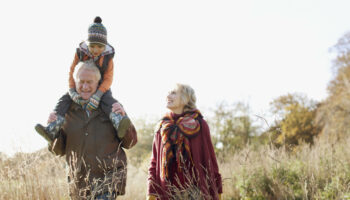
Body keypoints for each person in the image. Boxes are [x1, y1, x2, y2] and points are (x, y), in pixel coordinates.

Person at [48, 61, 137, 199]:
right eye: (81, 82)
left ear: (98, 83)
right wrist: (54, 133)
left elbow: (130, 143)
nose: (85, 86)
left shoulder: (112, 107)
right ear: (74, 82)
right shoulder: (66, 111)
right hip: (78, 183)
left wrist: (124, 118)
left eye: (89, 82)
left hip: (108, 181)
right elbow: (58, 150)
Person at [35, 16, 130, 142]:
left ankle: (118, 122)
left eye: (100, 47)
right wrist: (72, 91)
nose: (96, 50)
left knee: (109, 101)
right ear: (88, 44)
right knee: (63, 101)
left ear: (105, 45)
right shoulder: (80, 52)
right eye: (93, 46)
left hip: (101, 87)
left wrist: (98, 94)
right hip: (79, 86)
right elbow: (72, 72)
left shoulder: (108, 57)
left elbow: (108, 78)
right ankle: (52, 128)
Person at [147, 84, 222, 200]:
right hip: (167, 193)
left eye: (173, 92)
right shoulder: (162, 127)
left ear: (185, 98)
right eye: (168, 92)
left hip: (196, 193)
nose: (168, 95)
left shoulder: (200, 124)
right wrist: (150, 193)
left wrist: (217, 190)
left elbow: (210, 160)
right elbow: (154, 163)